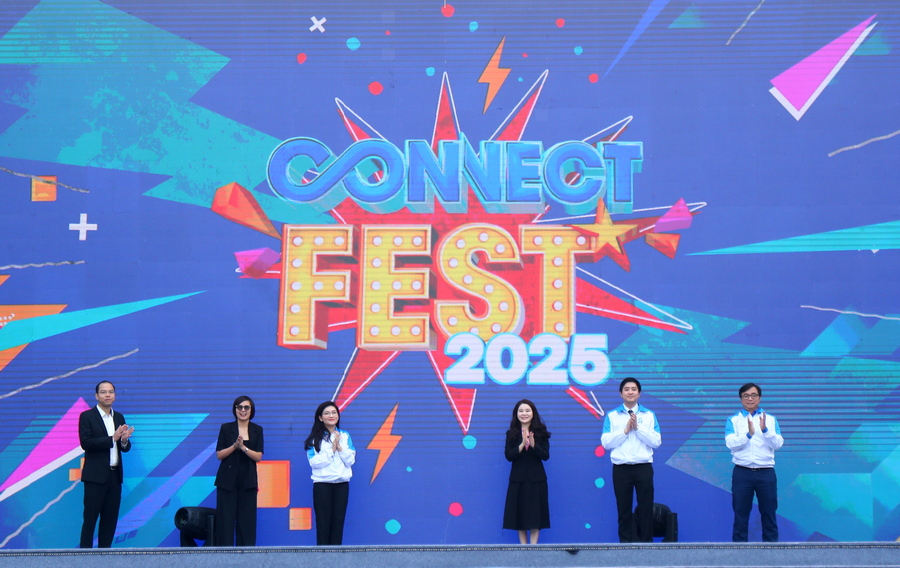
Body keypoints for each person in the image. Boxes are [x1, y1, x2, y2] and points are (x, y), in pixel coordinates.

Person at [601, 377, 661, 543]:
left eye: (633, 389)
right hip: (621, 469)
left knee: (646, 508)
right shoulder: (612, 416)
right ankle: (625, 546)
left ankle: (647, 545)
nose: (630, 392)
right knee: (623, 509)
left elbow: (656, 442)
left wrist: (637, 429)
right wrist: (625, 431)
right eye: (626, 389)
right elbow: (606, 443)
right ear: (621, 393)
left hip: (643, 467)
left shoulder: (649, 415)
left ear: (639, 393)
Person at [78, 380, 134, 548]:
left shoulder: (119, 417)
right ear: (96, 396)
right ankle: (85, 557)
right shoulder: (87, 416)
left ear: (114, 395)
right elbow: (86, 443)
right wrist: (112, 439)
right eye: (103, 392)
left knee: (110, 520)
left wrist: (123, 441)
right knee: (90, 520)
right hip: (95, 477)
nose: (107, 395)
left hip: (114, 477)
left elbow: (124, 448)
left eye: (110, 392)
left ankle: (105, 556)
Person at [726, 382, 784, 542]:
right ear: (741, 399)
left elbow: (778, 444)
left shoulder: (770, 420)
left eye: (753, 395)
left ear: (760, 398)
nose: (750, 399)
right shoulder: (733, 420)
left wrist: (765, 430)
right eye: (746, 396)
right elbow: (730, 444)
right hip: (742, 473)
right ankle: (739, 553)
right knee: (740, 515)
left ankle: (771, 552)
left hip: (766, 473)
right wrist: (748, 435)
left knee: (769, 514)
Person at [214, 395, 264, 546]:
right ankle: (225, 554)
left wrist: (243, 448)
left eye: (246, 407)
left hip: (248, 481)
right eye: (239, 407)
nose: (243, 410)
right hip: (227, 481)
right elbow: (219, 455)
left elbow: (258, 456)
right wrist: (235, 446)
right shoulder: (226, 428)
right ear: (235, 409)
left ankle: (246, 555)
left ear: (251, 410)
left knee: (247, 522)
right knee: (225, 521)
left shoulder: (257, 430)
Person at [305, 401, 355, 545]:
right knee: (323, 522)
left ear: (338, 416)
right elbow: (314, 462)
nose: (331, 416)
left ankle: (336, 555)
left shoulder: (345, 435)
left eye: (334, 413)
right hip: (322, 485)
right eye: (327, 413)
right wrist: (331, 450)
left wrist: (339, 447)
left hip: (341, 484)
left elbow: (350, 461)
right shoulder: (314, 439)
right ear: (320, 418)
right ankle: (322, 555)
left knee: (338, 521)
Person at [502, 399, 551, 544]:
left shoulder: (541, 433)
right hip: (518, 479)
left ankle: (533, 547)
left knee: (536, 514)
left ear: (533, 413)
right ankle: (523, 548)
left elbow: (545, 456)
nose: (524, 414)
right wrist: (522, 444)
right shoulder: (511, 434)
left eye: (527, 411)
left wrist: (534, 445)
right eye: (521, 411)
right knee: (520, 513)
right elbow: (509, 456)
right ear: (516, 414)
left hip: (537, 479)